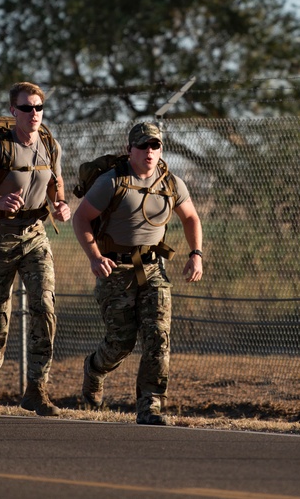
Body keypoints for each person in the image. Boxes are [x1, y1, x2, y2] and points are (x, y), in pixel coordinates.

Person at [71, 121, 203, 426]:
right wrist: (94, 257)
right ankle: (94, 368)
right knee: (121, 343)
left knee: (158, 337)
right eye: (142, 145)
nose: (149, 151)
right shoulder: (112, 181)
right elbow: (81, 219)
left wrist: (195, 254)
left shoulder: (171, 183)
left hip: (153, 269)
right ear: (129, 149)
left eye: (155, 145)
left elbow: (191, 217)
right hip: (115, 270)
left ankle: (150, 406)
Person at [0, 81, 72, 417]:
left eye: (38, 108)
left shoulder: (49, 144)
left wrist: (60, 204)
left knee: (45, 306)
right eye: (27, 108)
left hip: (35, 235)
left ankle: (36, 390)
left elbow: (56, 182)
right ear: (14, 112)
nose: (34, 114)